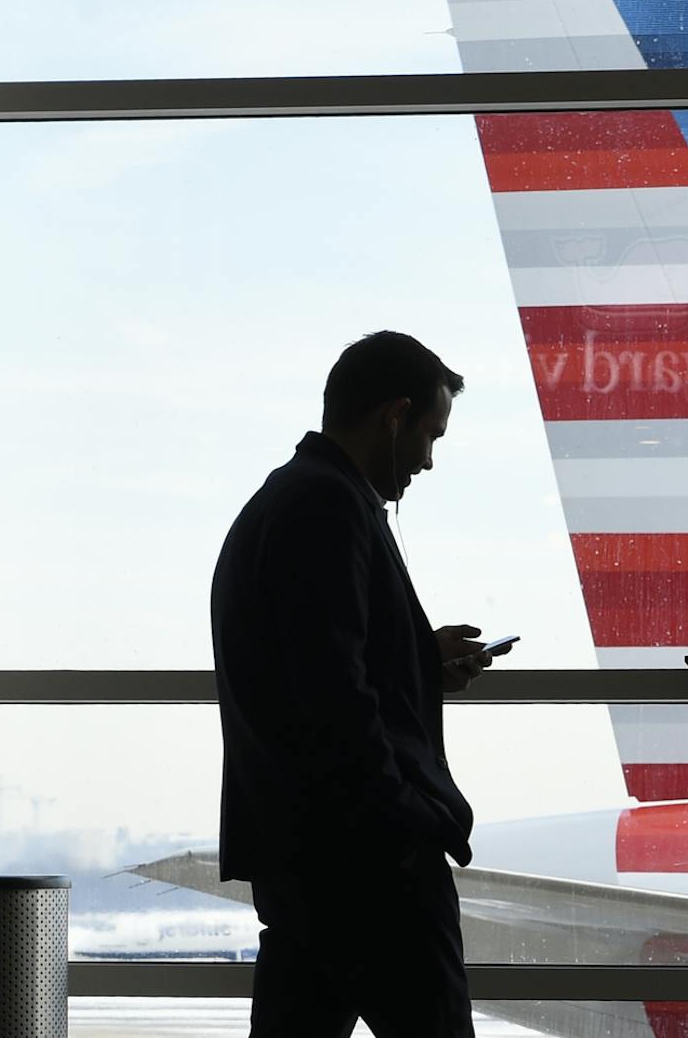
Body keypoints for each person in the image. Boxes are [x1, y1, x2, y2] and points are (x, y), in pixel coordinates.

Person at [211, 331, 495, 1037]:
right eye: (430, 434)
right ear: (394, 415)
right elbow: (333, 698)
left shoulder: (292, 499)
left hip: (307, 856)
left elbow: (315, 665)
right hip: (367, 868)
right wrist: (404, 820)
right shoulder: (328, 509)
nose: (428, 460)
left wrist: (415, 663)